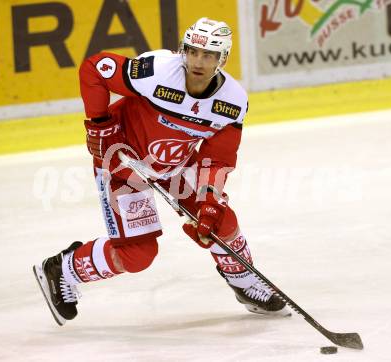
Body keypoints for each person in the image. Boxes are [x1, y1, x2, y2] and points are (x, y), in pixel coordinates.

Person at [33, 17, 290, 326]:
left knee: (220, 218)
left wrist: (208, 200)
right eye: (193, 52)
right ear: (184, 50)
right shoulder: (157, 71)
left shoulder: (232, 102)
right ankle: (63, 269)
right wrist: (100, 125)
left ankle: (245, 283)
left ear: (222, 59)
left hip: (174, 165)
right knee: (137, 256)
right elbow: (94, 69)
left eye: (208, 56)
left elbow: (217, 159)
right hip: (120, 163)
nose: (198, 61)